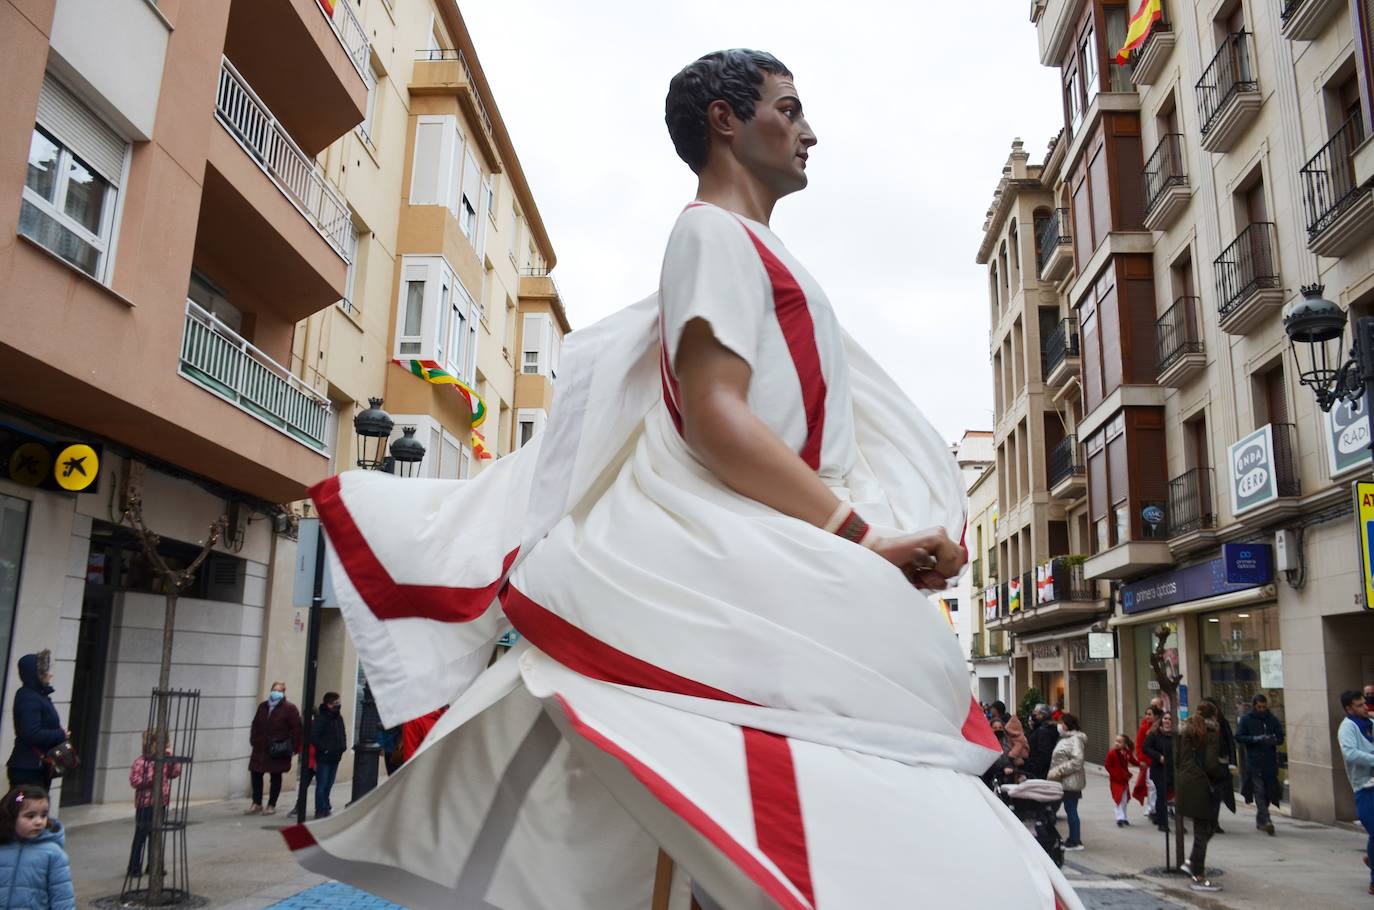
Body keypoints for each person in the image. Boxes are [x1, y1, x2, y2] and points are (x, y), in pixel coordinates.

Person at [297, 48, 1082, 908]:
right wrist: (864, 536)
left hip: (769, 539)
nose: (810, 129)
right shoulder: (710, 232)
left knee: (754, 792)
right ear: (726, 121)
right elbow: (715, 416)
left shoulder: (741, 243)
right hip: (750, 545)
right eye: (789, 107)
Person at [1176, 702, 1227, 893]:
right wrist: (1222, 772)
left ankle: (1192, 863)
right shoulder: (1211, 734)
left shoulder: (1184, 733)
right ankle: (1197, 873)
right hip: (1202, 784)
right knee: (1204, 829)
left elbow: (1177, 758)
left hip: (1186, 782)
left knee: (1206, 827)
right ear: (1213, 716)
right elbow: (1211, 764)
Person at [0, 785, 75, 910]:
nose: (39, 821)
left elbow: (62, 897)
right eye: (30, 816)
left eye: (43, 815)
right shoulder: (2, 847)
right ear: (11, 818)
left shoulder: (53, 854)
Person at [6, 652, 66, 790]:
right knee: (22, 807)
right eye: (46, 671)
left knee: (36, 808)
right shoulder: (29, 697)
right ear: (37, 674)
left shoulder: (39, 695)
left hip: (38, 767)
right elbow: (31, 733)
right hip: (28, 769)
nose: (50, 674)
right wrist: (60, 734)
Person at [127, 730, 181, 877]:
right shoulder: (141, 762)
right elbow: (135, 781)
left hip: (160, 802)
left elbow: (174, 773)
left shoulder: (162, 760)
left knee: (156, 834)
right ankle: (134, 867)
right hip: (145, 804)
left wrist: (171, 759)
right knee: (141, 835)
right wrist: (153, 775)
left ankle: (154, 865)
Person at [1338, 690, 1374, 896]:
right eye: (1359, 705)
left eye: (1365, 703)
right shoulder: (1348, 727)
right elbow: (1350, 753)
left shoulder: (1370, 723)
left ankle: (1372, 859)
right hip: (1365, 786)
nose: (1365, 707)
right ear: (1348, 709)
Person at [246, 681, 300, 816]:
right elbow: (255, 723)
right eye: (274, 689)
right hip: (260, 747)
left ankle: (271, 804)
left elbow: (296, 729)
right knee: (256, 773)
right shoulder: (263, 706)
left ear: (283, 693)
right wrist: (254, 739)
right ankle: (257, 803)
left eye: (279, 690)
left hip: (278, 748)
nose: (275, 692)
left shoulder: (289, 708)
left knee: (275, 776)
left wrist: (293, 746)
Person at [1235, 693, 1284, 835]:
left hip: (1269, 763)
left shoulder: (1272, 720)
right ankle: (1267, 819)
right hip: (1254, 762)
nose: (1262, 709)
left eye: (1264, 707)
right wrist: (1255, 739)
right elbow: (1239, 736)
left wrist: (1272, 740)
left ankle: (1260, 819)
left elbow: (1280, 737)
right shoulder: (1246, 720)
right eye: (1259, 707)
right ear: (1255, 706)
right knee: (1259, 791)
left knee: (1268, 792)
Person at [1047, 713, 1087, 851]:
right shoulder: (1066, 738)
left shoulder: (1075, 739)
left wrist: (1058, 771)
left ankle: (1075, 840)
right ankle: (1071, 839)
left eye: (1062, 722)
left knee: (1071, 810)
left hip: (1070, 782)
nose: (1060, 725)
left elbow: (1077, 761)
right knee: (1065, 809)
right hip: (1062, 781)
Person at [311, 692, 346, 820]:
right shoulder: (321, 718)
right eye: (336, 703)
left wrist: (342, 747)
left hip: (335, 756)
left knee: (329, 784)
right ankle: (320, 809)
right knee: (322, 784)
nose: (339, 705)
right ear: (329, 704)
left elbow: (342, 733)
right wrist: (324, 749)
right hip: (324, 757)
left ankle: (325, 806)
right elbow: (314, 736)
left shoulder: (338, 718)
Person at [1143, 713, 1175, 832]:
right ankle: (1163, 823)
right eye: (1165, 719)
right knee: (1162, 796)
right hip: (1159, 771)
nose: (1167, 721)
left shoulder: (1176, 735)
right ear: (1162, 720)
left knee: (1172, 797)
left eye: (1170, 719)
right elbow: (1145, 748)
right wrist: (1158, 756)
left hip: (1173, 771)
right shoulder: (1155, 734)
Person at [1134, 702, 1163, 820]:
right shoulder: (1143, 728)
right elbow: (1139, 745)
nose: (1147, 716)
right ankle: (1153, 808)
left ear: (1156, 716)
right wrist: (1142, 759)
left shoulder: (1161, 728)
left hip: (1160, 761)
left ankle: (1161, 808)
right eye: (1146, 714)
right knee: (1151, 786)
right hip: (1149, 762)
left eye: (1150, 714)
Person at [1105, 734, 1140, 827]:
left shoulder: (1127, 753)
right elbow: (1107, 765)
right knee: (1119, 799)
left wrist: (1140, 764)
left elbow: (1132, 761)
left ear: (1125, 744)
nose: (1117, 743)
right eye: (1116, 741)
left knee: (1124, 799)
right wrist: (1114, 774)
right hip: (1116, 780)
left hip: (1124, 780)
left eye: (1120, 742)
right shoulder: (1111, 753)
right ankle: (1119, 818)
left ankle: (1124, 817)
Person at [989, 700, 1029, 769]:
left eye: (1000, 727)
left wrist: (1011, 757)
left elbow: (1016, 744)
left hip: (1012, 764)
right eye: (995, 728)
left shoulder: (1009, 726)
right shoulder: (1007, 721)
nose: (998, 729)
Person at [1025, 704, 1059, 780]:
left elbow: (1044, 753)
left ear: (1043, 715)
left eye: (1035, 712)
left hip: (1038, 772)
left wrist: (1034, 769)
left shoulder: (1043, 730)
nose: (1033, 714)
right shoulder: (1042, 728)